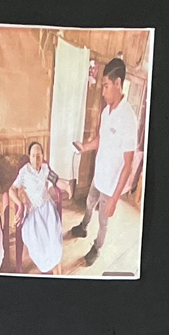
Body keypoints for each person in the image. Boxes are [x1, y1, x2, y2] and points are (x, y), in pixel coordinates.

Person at [67, 56, 139, 270]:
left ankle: (97, 248)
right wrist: (85, 147)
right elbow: (101, 139)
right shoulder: (106, 112)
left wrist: (115, 198)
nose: (103, 91)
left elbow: (128, 163)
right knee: (89, 203)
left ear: (118, 83)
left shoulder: (128, 118)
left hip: (111, 184)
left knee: (104, 220)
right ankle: (83, 227)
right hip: (99, 175)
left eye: (106, 86)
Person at [10, 140, 63, 274]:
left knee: (52, 238)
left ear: (43, 156)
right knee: (39, 241)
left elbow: (56, 180)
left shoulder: (45, 169)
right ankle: (50, 266)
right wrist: (20, 204)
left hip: (48, 209)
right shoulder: (24, 171)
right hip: (33, 213)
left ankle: (56, 268)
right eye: (33, 156)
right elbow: (11, 190)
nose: (36, 159)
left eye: (38, 156)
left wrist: (67, 186)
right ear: (29, 156)